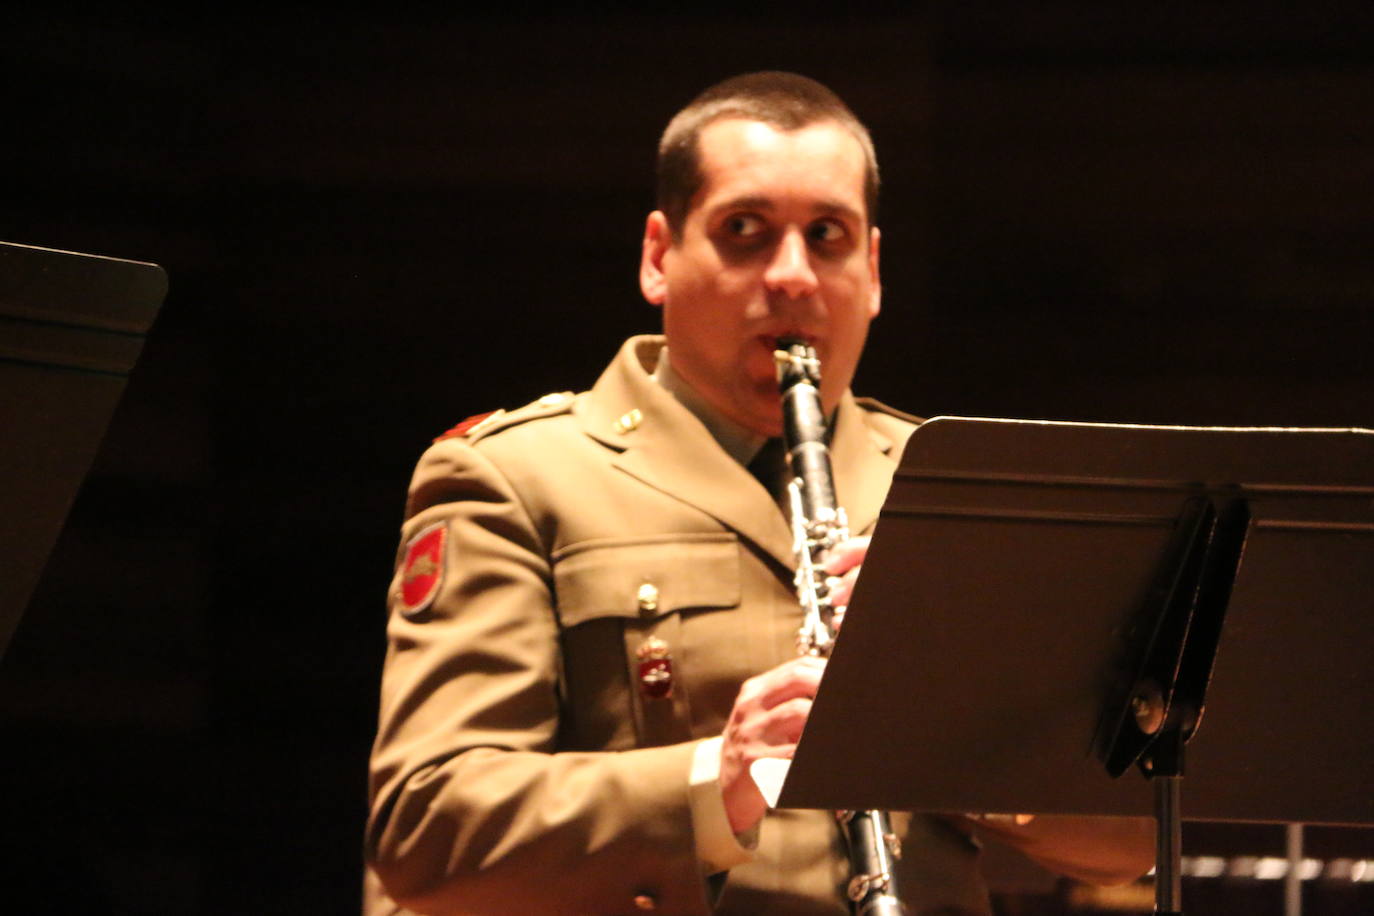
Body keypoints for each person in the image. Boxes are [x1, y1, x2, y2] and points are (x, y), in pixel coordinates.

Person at [365, 72, 1153, 915]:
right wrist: (719, 778)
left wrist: (957, 732)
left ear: (874, 270)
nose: (792, 275)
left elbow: (1129, 842)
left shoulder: (952, 489)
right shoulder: (517, 477)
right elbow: (426, 829)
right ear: (660, 257)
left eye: (827, 236)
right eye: (745, 231)